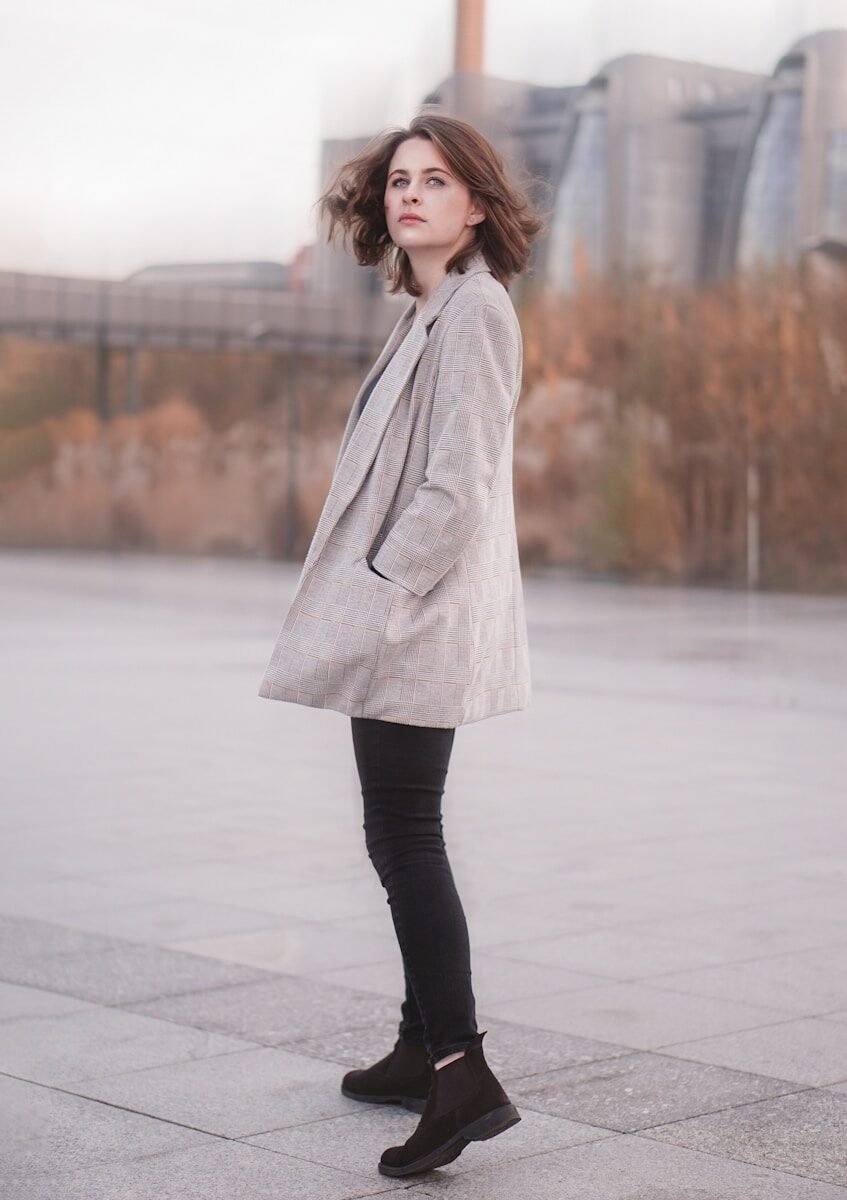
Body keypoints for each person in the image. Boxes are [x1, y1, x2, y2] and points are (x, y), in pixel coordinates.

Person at [258, 112, 544, 1177]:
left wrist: (381, 591)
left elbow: (458, 485)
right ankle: (423, 1040)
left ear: (476, 205)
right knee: (395, 829)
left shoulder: (474, 312)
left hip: (414, 615)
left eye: (435, 181)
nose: (409, 195)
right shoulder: (425, 308)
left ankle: (462, 1071)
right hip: (407, 612)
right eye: (398, 182)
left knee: (406, 832)